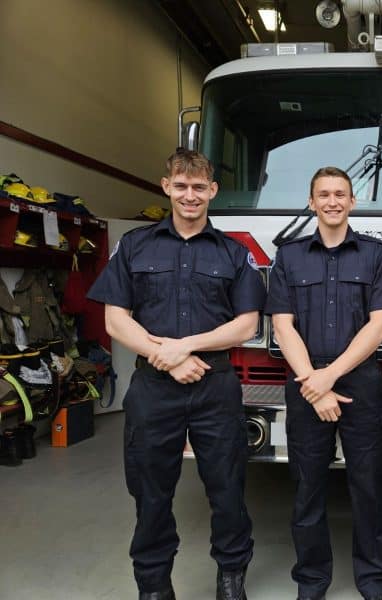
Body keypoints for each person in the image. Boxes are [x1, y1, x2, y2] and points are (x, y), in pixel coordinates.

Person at [87, 149, 265, 600]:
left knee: (227, 488)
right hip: (153, 387)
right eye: (181, 186)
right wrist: (165, 355)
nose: (190, 195)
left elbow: (247, 323)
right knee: (150, 490)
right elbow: (115, 320)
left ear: (213, 192)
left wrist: (186, 346)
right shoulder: (135, 246)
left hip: (215, 387)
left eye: (199, 187)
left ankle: (231, 577)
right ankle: (153, 584)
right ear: (166, 186)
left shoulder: (233, 252)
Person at [265, 166, 382, 600]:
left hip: (358, 382)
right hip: (306, 383)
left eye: (340, 194)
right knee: (307, 489)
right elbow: (283, 327)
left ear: (352, 202)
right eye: (324, 194)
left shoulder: (376, 256)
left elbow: (378, 327)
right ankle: (312, 581)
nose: (333, 201)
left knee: (370, 487)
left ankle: (374, 581)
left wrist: (328, 378)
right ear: (311, 201)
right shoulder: (289, 256)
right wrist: (312, 382)